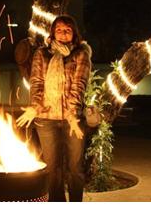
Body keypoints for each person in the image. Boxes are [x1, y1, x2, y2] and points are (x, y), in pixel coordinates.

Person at [17, 15, 92, 202]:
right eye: (59, 29)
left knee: (75, 168)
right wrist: (35, 107)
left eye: (67, 30)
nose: (63, 33)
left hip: (71, 121)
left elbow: (79, 86)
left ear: (73, 33)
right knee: (51, 169)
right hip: (46, 119)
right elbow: (36, 83)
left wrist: (72, 115)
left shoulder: (81, 54)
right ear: (52, 32)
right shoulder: (42, 54)